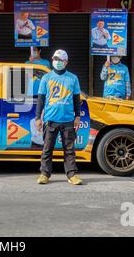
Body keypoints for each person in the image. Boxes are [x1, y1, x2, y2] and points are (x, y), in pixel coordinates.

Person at [35, 49, 83, 186]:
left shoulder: (73, 78)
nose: (57, 62)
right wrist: (38, 117)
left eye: (60, 60)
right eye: (55, 59)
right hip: (50, 119)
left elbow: (76, 98)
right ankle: (44, 174)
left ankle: (72, 175)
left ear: (66, 62)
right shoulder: (46, 78)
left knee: (69, 150)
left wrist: (78, 116)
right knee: (47, 148)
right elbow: (41, 99)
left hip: (68, 119)